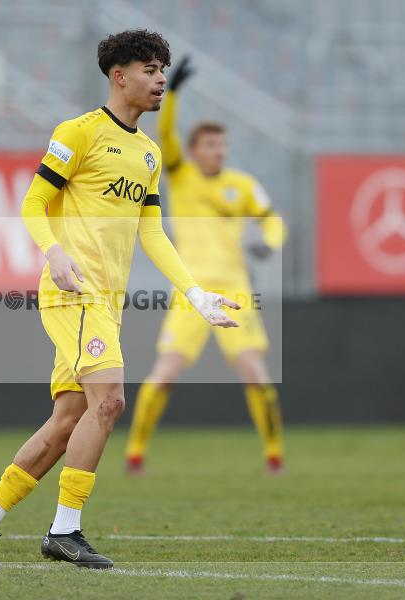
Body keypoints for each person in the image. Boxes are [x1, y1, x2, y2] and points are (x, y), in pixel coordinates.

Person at [0, 31, 240, 570]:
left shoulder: (149, 154)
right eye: (151, 69)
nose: (160, 80)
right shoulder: (79, 133)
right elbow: (34, 204)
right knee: (109, 401)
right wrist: (54, 254)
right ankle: (65, 531)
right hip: (73, 292)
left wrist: (196, 293)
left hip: (107, 302)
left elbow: (151, 234)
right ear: (120, 76)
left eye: (164, 70)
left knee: (69, 420)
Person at [124, 56, 288, 476]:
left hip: (235, 291)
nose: (220, 152)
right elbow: (166, 134)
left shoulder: (242, 185)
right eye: (211, 145)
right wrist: (172, 94)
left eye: (223, 145)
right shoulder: (180, 175)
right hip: (192, 293)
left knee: (257, 376)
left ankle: (274, 455)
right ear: (195, 151)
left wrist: (270, 242)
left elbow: (272, 220)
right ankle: (135, 451)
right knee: (163, 375)